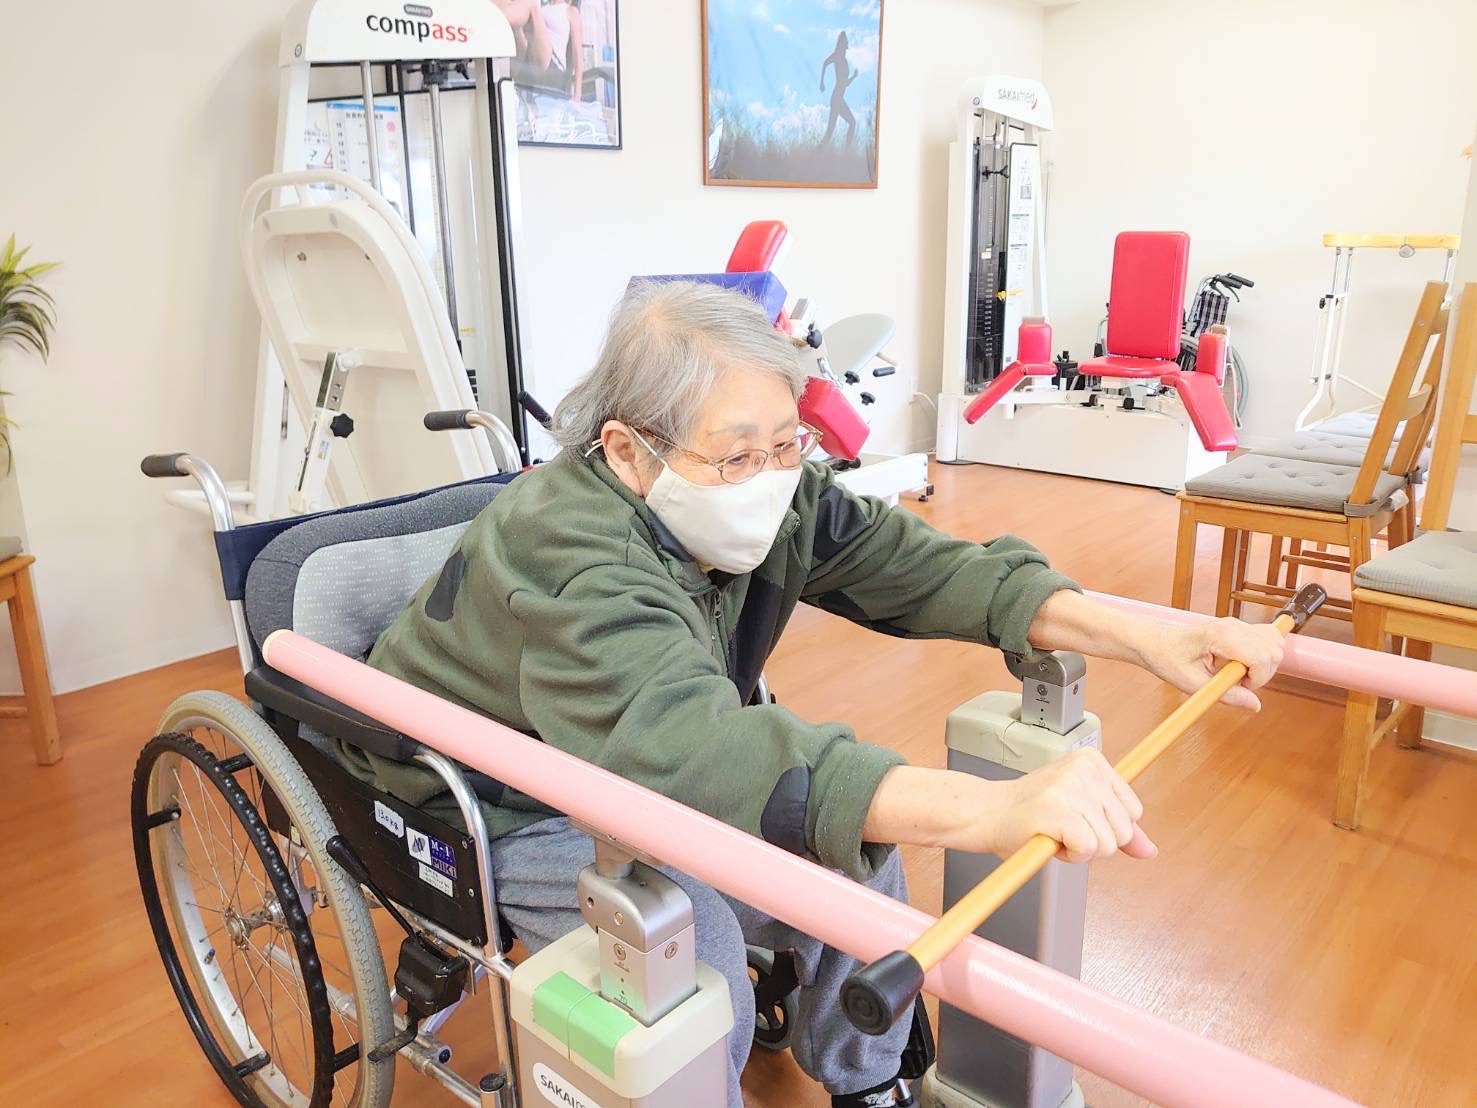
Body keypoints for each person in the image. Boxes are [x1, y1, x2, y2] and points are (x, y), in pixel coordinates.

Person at [357, 281, 1284, 1108]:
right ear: (628, 452)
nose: (771, 479)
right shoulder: (569, 556)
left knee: (855, 869)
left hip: (627, 750)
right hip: (492, 795)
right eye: (735, 457)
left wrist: (1151, 636)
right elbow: (691, 748)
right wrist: (991, 807)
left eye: (785, 442)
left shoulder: (766, 488)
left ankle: (867, 1080)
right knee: (695, 950)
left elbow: (920, 568)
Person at [819, 31, 857, 149]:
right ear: (842, 43)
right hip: (837, 98)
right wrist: (822, 82)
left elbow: (845, 84)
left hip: (839, 98)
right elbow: (825, 63)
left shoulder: (844, 60)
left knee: (833, 131)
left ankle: (846, 152)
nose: (847, 43)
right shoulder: (837, 55)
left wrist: (854, 77)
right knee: (833, 131)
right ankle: (846, 152)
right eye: (845, 41)